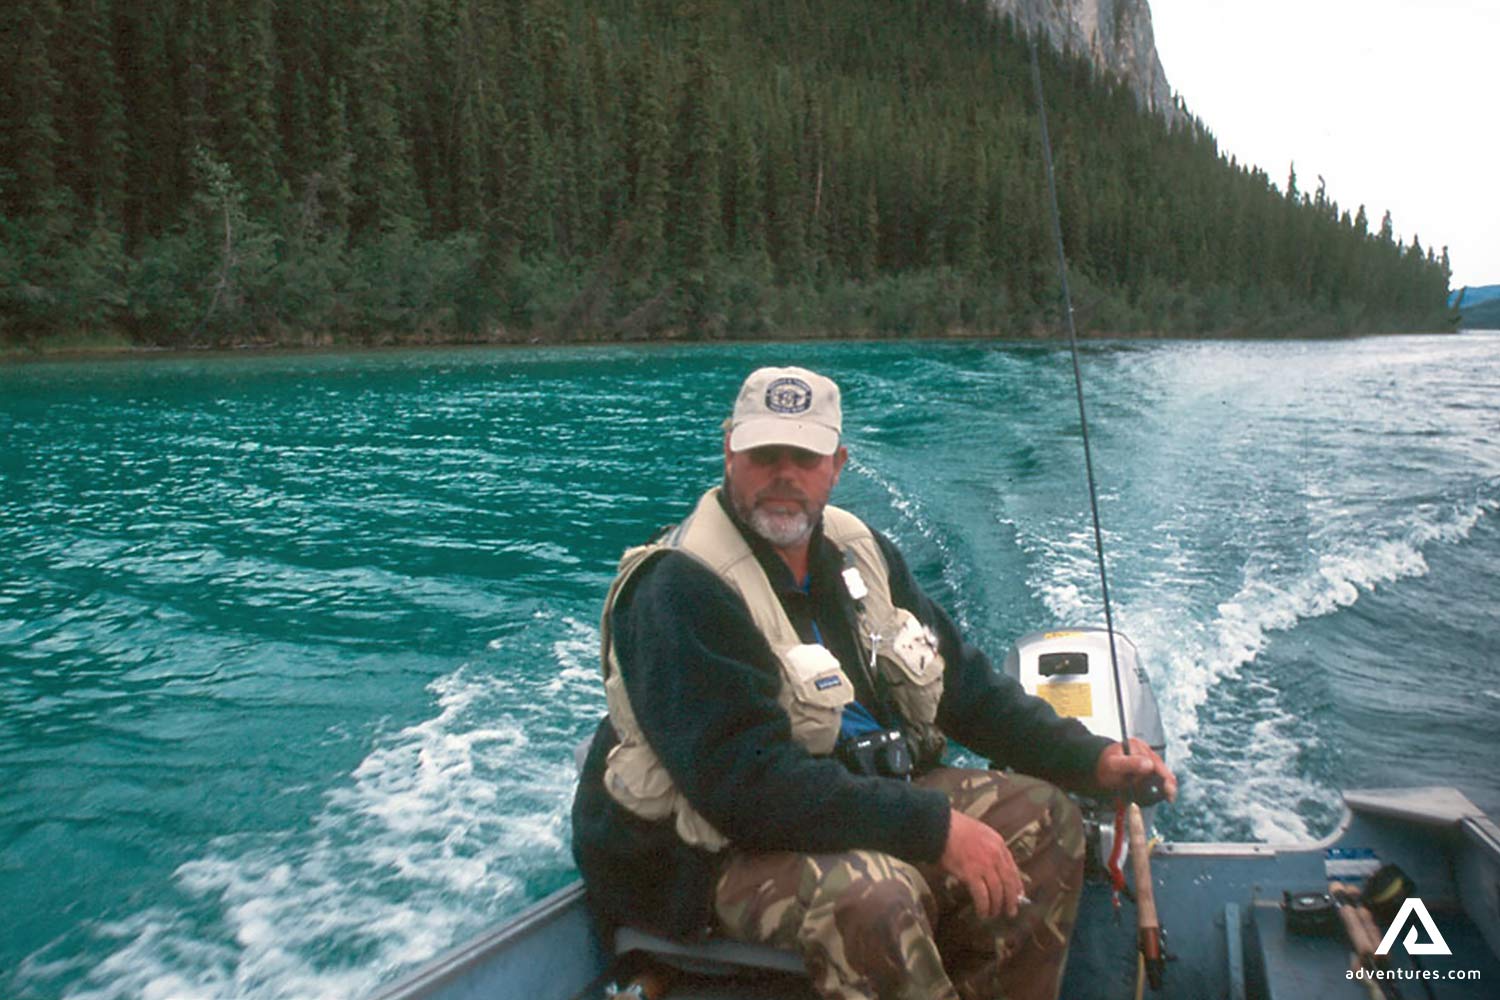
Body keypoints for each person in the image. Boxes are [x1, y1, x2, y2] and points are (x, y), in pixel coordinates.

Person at [572, 365, 1176, 1000]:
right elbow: (744, 789)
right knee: (874, 897)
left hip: (841, 796)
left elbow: (963, 689)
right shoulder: (681, 587)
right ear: (730, 452)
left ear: (837, 464)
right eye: (763, 453)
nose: (783, 473)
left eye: (803, 456)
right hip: (702, 859)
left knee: (1045, 820)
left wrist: (1093, 758)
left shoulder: (858, 550)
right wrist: (934, 828)